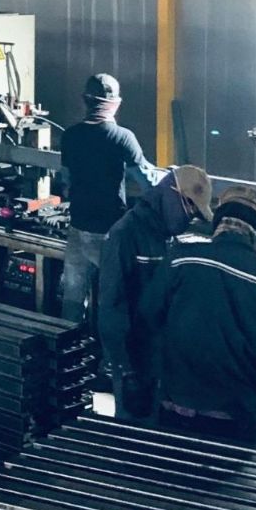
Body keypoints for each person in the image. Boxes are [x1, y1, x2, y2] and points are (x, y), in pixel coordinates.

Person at [137, 185, 256, 446]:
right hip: (233, 415)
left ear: (218, 223)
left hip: (176, 404)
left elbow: (149, 314)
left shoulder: (180, 259)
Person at [91, 163, 213, 417]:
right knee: (134, 431)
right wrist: (125, 370)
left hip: (163, 363)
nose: (190, 217)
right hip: (135, 362)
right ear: (170, 191)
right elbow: (111, 305)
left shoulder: (167, 238)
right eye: (190, 206)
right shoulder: (124, 235)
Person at [56, 73, 165, 318]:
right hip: (108, 234)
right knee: (113, 300)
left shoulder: (70, 136)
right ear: (114, 104)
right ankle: (108, 343)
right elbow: (147, 182)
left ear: (85, 101)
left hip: (77, 228)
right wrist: (172, 178)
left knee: (72, 298)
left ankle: (66, 338)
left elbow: (66, 182)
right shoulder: (123, 137)